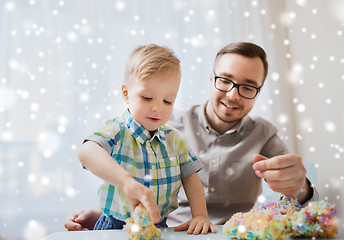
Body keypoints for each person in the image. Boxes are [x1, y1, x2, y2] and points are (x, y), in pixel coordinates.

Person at [65, 42, 318, 231]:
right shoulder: (162, 124)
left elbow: (307, 202)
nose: (232, 94)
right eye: (225, 80)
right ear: (211, 79)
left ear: (259, 92)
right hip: (165, 229)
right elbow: (93, 153)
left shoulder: (264, 135)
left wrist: (302, 188)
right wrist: (105, 212)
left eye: (248, 86)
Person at [76, 44, 216, 234]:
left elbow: (191, 179)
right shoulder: (117, 130)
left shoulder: (175, 139)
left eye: (168, 101)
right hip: (116, 226)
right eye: (147, 97)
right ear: (126, 94)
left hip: (159, 227)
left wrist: (200, 215)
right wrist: (127, 182)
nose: (158, 108)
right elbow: (87, 152)